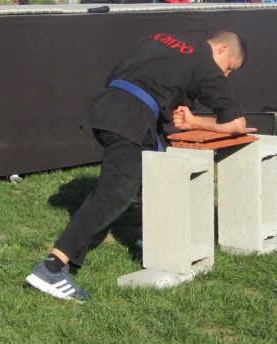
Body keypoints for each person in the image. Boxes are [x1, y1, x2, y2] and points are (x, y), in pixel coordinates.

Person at [25, 30, 252, 301]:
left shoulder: (162, 39)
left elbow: (133, 79)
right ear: (223, 49)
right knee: (114, 194)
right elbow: (236, 124)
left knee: (158, 173)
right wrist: (195, 122)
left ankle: (157, 242)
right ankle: (52, 268)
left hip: (106, 108)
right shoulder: (205, 64)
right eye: (229, 68)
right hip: (130, 120)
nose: (226, 75)